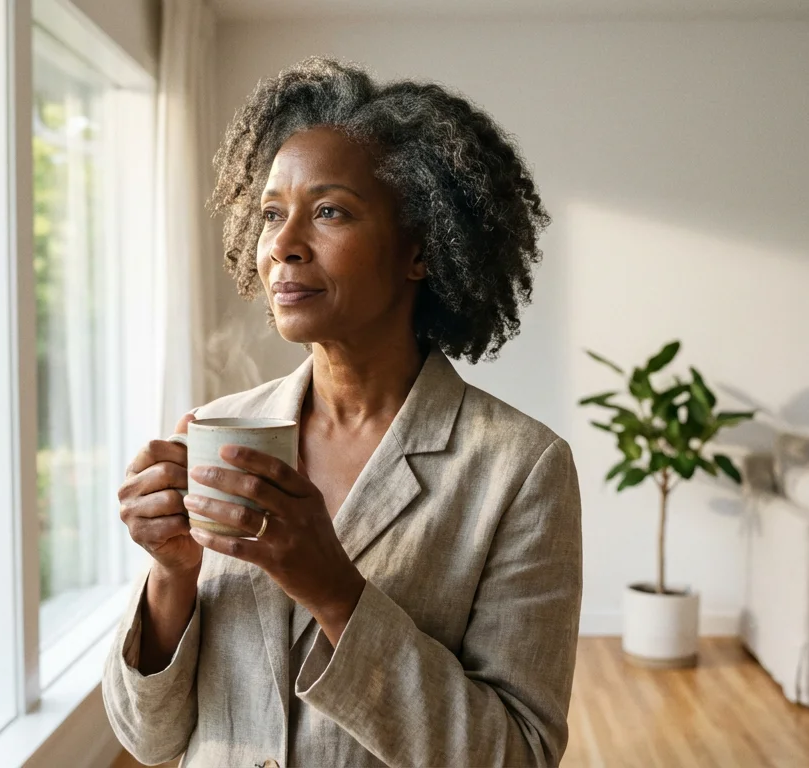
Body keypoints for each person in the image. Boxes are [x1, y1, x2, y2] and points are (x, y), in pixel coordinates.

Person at [103, 56, 582, 768]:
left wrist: (334, 592)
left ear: (420, 250)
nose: (283, 246)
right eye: (271, 214)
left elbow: (517, 754)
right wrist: (170, 577)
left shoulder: (519, 468)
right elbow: (149, 738)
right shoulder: (217, 430)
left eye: (329, 211)